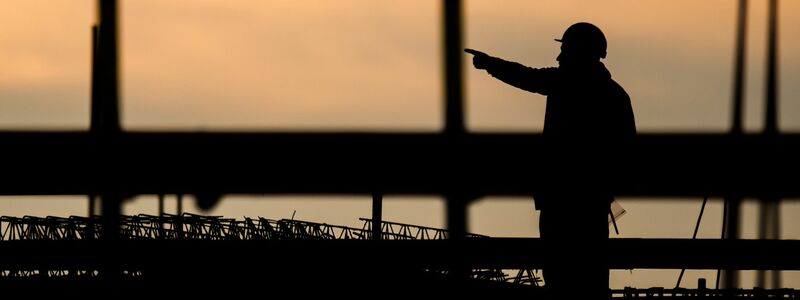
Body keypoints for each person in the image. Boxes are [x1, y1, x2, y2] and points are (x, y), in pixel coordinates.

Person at [466, 22, 636, 299]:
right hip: (592, 201)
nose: (559, 57)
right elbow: (627, 151)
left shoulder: (564, 83)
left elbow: (528, 77)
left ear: (579, 53)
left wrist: (490, 64)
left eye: (565, 51)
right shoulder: (616, 96)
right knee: (590, 274)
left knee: (559, 274)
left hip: (562, 199)